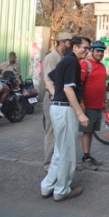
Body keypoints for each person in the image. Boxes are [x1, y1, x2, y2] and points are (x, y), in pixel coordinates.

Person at [41, 36, 90, 201]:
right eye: (84, 47)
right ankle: (61, 190)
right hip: (64, 110)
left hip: (57, 108)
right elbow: (69, 89)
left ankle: (47, 186)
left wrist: (55, 94)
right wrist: (80, 113)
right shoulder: (72, 62)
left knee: (59, 151)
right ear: (75, 47)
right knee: (67, 152)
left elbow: (49, 77)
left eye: (88, 48)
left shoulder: (65, 61)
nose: (87, 50)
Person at [42, 32, 72, 172]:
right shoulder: (51, 58)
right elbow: (48, 79)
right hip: (53, 99)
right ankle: (48, 165)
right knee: (52, 132)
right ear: (62, 42)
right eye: (69, 42)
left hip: (62, 100)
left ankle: (59, 163)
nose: (71, 45)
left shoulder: (65, 58)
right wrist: (55, 95)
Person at [79, 40, 107, 171]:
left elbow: (102, 86)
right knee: (87, 132)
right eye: (97, 51)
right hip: (88, 105)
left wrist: (105, 102)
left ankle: (88, 156)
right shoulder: (86, 65)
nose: (100, 53)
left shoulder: (102, 66)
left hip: (98, 105)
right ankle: (85, 159)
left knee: (91, 132)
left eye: (101, 51)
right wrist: (81, 103)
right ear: (92, 51)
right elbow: (79, 85)